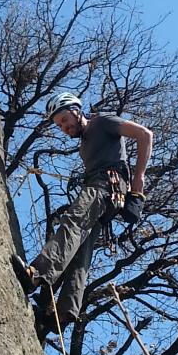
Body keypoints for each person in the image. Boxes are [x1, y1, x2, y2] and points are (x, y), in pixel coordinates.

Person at [12, 91, 153, 337]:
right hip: (102, 190)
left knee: (74, 221)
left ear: (77, 111)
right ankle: (62, 314)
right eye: (60, 125)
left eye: (65, 120)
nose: (65, 127)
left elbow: (144, 134)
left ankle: (37, 275)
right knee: (80, 252)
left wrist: (137, 185)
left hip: (106, 185)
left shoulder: (103, 121)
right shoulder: (84, 144)